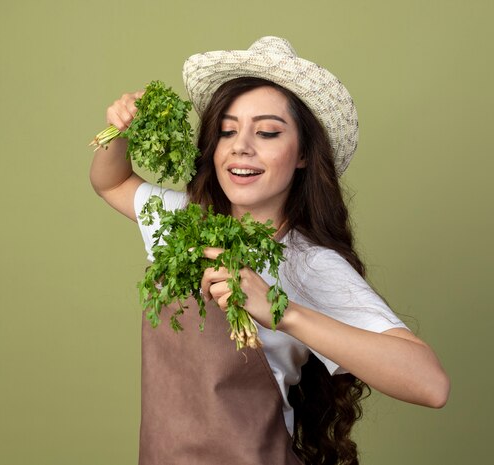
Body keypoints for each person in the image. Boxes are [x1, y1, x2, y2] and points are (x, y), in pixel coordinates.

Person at [90, 36, 450, 465]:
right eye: (227, 130)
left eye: (266, 132)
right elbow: (110, 181)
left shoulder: (306, 263)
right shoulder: (184, 221)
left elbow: (431, 384)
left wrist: (282, 312)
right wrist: (123, 128)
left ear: (301, 155)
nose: (241, 145)